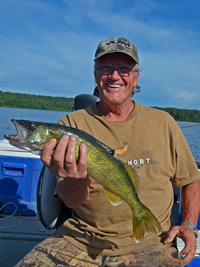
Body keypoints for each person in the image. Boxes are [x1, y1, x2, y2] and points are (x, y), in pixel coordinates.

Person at [15, 37, 200, 267]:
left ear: (136, 77)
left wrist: (190, 225)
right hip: (79, 241)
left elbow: (191, 179)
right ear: (95, 75)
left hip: (153, 243)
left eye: (124, 69)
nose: (114, 76)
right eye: (105, 68)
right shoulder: (71, 124)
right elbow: (71, 201)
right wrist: (76, 179)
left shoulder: (164, 123)